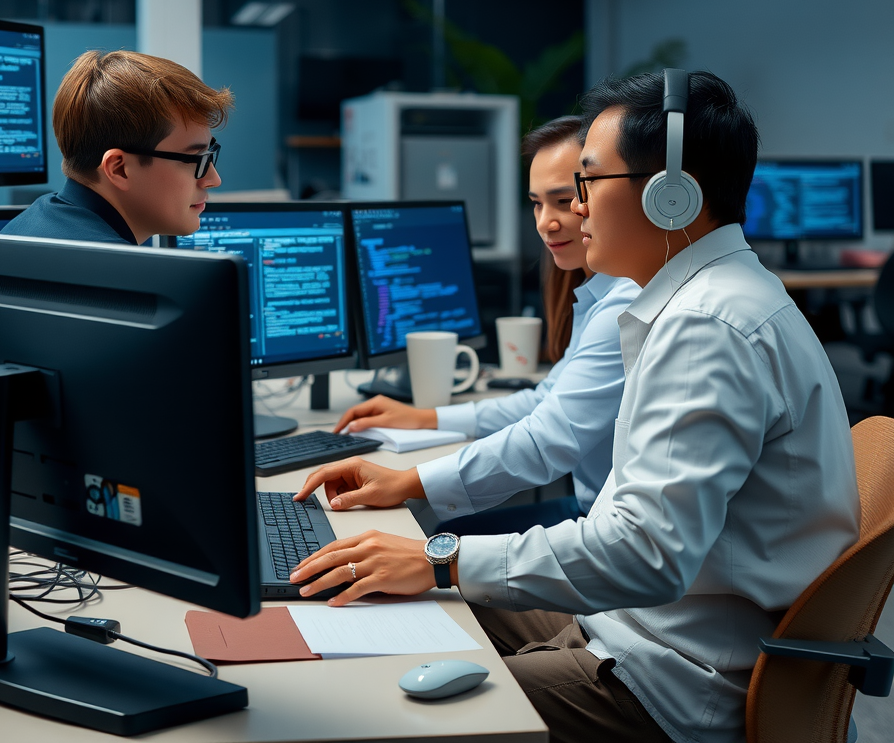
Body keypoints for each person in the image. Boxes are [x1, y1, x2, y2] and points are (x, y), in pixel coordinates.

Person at [290, 70, 860, 743]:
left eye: (586, 184)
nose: (576, 210)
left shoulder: (706, 327)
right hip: (639, 624)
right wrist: (437, 560)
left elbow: (645, 553)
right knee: (386, 595)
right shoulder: (714, 297)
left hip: (671, 679)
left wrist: (442, 559)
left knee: (388, 709)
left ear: (671, 196)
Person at [296, 115, 639, 532]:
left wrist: (407, 481)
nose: (544, 222)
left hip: (602, 523)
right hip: (593, 509)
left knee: (426, 538)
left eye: (564, 200)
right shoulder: (602, 292)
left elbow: (549, 438)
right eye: (536, 203)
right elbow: (545, 399)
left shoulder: (624, 301)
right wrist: (425, 417)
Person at [0, 49, 231, 460]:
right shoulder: (121, 277)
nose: (213, 178)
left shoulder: (33, 224)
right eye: (197, 160)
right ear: (119, 168)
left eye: (212, 155)